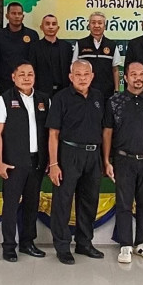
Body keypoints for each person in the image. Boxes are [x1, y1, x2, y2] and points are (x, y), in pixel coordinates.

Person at [103, 62, 143, 263]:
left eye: (142, 74)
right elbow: (107, 132)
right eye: (133, 74)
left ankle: (141, 243)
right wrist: (106, 160)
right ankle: (125, 245)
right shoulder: (115, 101)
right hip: (123, 159)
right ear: (125, 78)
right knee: (124, 204)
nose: (138, 78)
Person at [46, 60, 106, 265]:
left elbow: (105, 130)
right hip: (69, 154)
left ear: (92, 76)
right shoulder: (61, 98)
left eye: (86, 74)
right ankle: (62, 246)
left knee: (89, 201)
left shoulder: (98, 97)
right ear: (71, 77)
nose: (82, 78)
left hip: (93, 155)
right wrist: (53, 164)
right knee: (63, 201)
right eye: (78, 75)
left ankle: (84, 243)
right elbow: (53, 134)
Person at [0, 61, 49, 262]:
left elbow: (49, 133)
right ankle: (9, 246)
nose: (26, 78)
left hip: (37, 162)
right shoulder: (4, 100)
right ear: (13, 77)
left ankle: (27, 243)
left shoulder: (44, 99)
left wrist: (49, 160)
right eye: (22, 74)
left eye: (30, 74)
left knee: (32, 204)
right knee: (10, 205)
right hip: (13, 163)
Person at [72, 11, 122, 100]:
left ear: (105, 26)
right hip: (84, 92)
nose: (96, 25)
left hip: (107, 92)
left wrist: (117, 91)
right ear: (89, 25)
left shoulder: (112, 45)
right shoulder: (80, 44)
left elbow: (115, 69)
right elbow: (74, 68)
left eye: (100, 23)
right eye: (93, 22)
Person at [0, 2, 39, 93]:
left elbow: (35, 61)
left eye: (19, 13)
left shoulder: (32, 35)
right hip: (4, 84)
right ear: (7, 16)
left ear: (23, 16)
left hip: (26, 83)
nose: (17, 16)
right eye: (13, 13)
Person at [30, 14, 72, 97]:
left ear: (58, 28)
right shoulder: (35, 47)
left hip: (64, 91)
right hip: (42, 92)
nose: (51, 27)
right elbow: (32, 69)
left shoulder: (66, 46)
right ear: (41, 27)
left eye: (54, 24)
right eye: (47, 24)